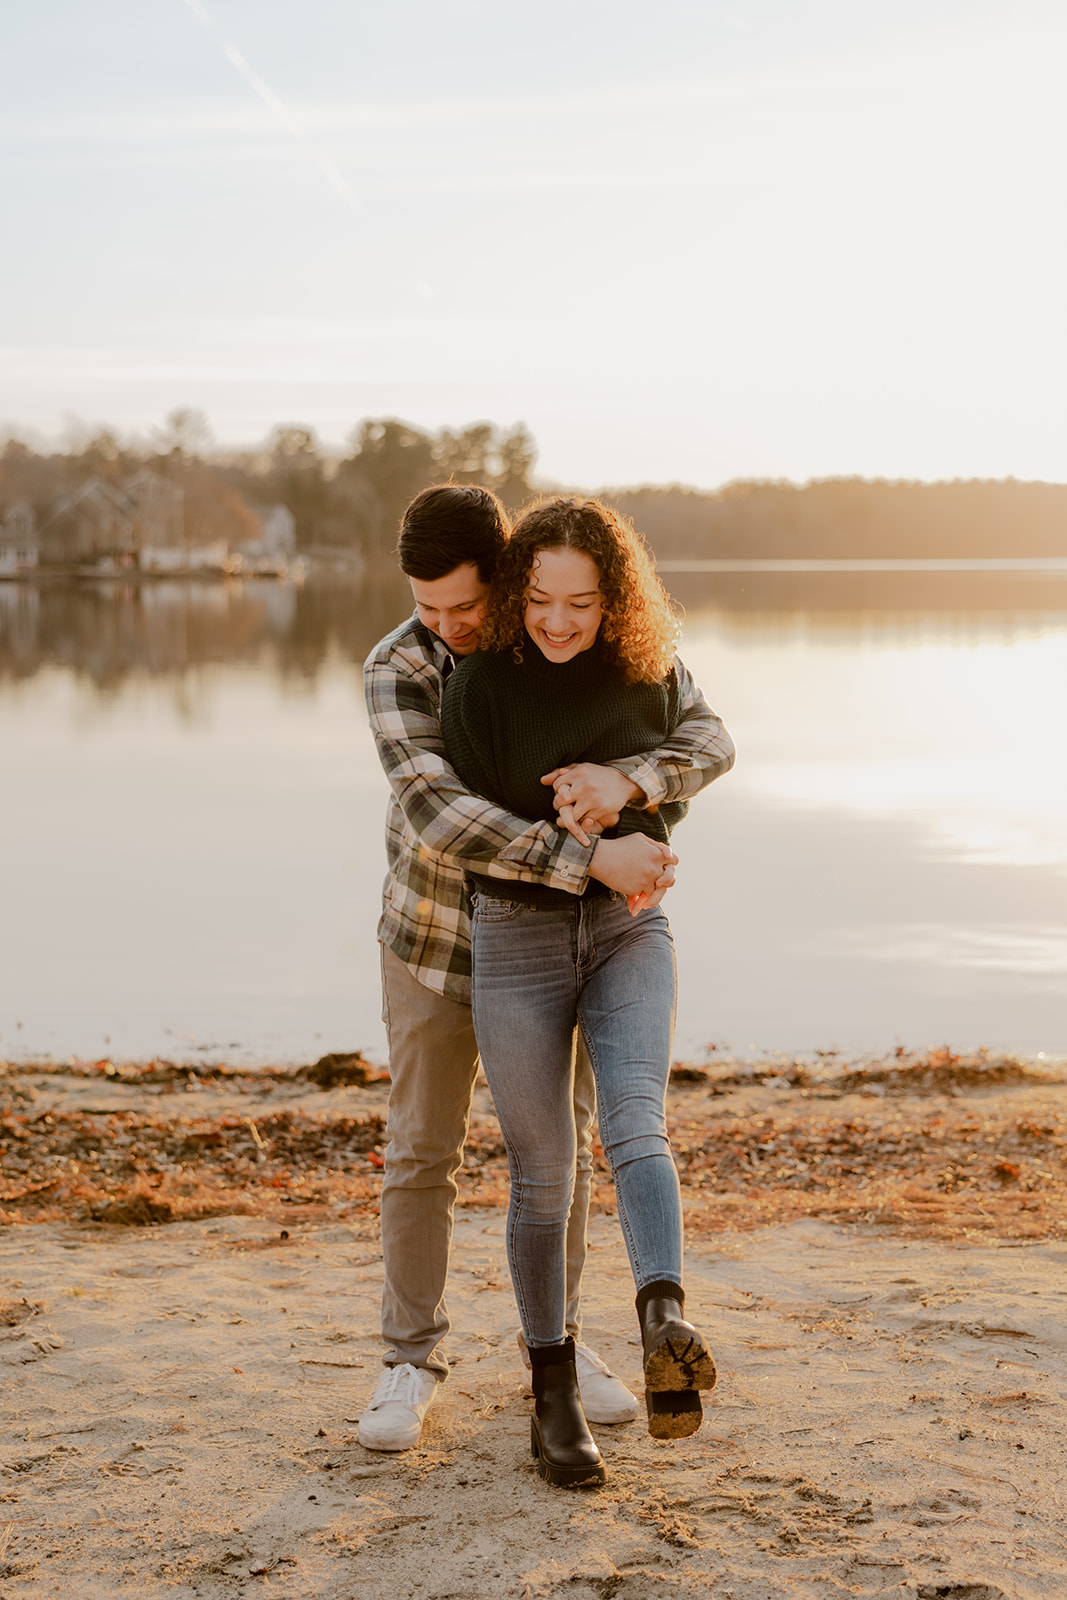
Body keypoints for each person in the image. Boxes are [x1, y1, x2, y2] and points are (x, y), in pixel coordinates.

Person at [359, 484, 735, 1453]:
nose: (444, 625)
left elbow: (699, 733)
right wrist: (591, 858)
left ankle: (559, 1346)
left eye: (462, 606)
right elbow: (442, 817)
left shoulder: (569, 636)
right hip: (440, 944)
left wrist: (632, 781)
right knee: (423, 1147)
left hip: (568, 935)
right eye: (426, 605)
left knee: (557, 1148)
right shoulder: (401, 666)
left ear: (506, 576)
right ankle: (409, 1356)